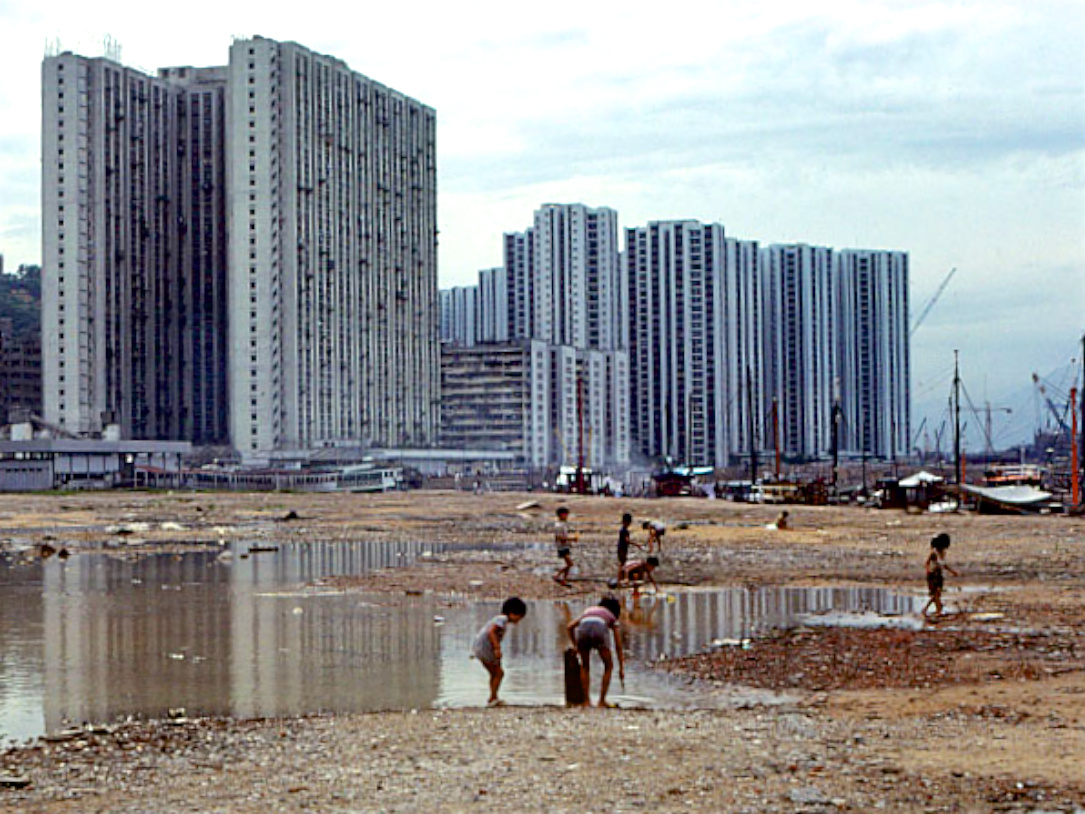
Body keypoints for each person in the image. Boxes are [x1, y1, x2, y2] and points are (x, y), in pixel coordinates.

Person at [567, 595, 625, 707]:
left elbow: (569, 627)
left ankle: (586, 701)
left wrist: (575, 646)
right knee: (608, 666)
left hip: (583, 629)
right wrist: (621, 667)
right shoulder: (611, 616)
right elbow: (618, 644)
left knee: (585, 666)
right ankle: (601, 701)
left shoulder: (588, 611)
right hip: (599, 629)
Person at [471, 597, 527, 706]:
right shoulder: (502, 619)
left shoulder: (500, 620)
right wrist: (497, 649)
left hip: (481, 648)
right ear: (512, 613)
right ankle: (493, 698)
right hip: (485, 648)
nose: (519, 620)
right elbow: (491, 632)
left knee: (495, 673)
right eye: (519, 616)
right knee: (499, 673)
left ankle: (493, 697)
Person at [922, 533, 959, 618]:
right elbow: (927, 563)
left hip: (939, 575)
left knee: (937, 595)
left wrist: (952, 572)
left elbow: (944, 565)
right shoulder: (934, 553)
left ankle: (926, 609)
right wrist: (929, 571)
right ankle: (938, 610)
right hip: (933, 575)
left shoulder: (943, 553)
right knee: (936, 593)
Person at [615, 513, 642, 587]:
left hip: (622, 548)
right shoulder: (625, 531)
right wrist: (636, 544)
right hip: (622, 549)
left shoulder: (622, 530)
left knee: (622, 564)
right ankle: (620, 580)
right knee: (622, 564)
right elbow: (627, 540)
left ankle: (620, 580)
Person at [553, 506, 578, 586]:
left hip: (564, 546)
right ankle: (562, 578)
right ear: (561, 515)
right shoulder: (559, 526)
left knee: (569, 564)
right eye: (565, 514)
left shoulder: (562, 524)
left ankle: (558, 576)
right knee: (570, 564)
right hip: (562, 547)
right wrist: (572, 539)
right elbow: (560, 538)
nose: (567, 516)